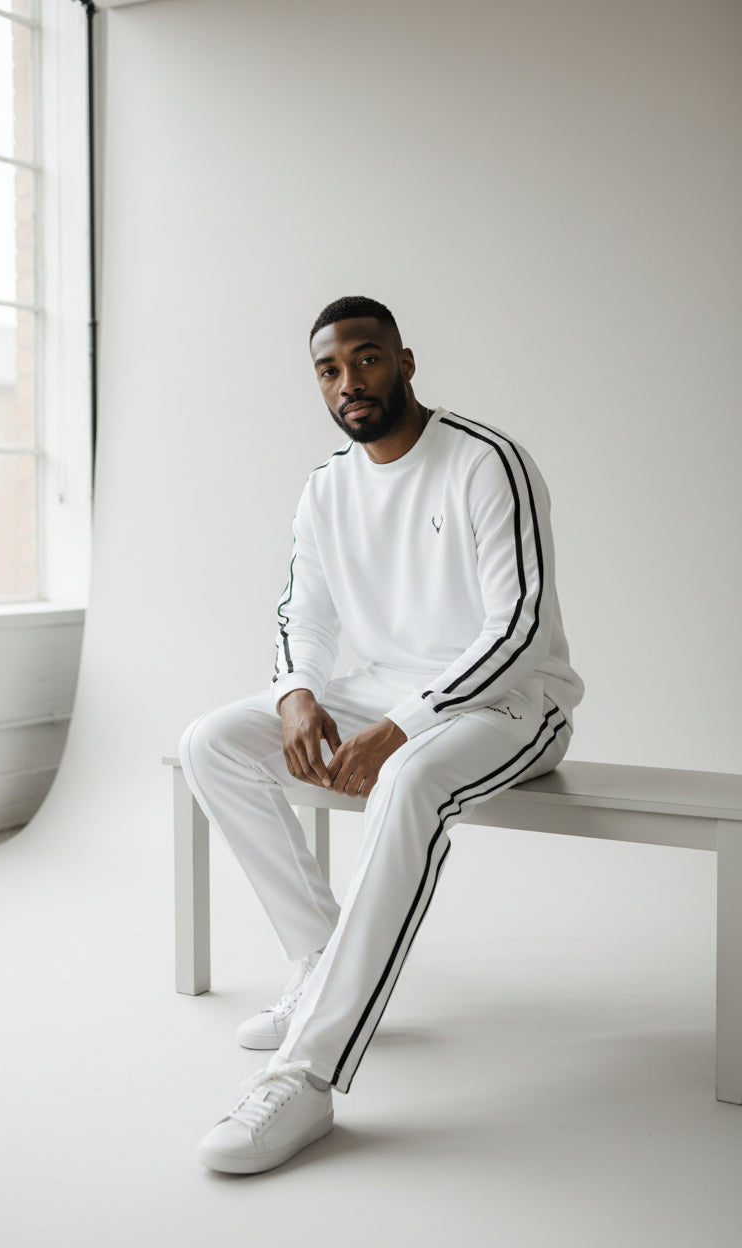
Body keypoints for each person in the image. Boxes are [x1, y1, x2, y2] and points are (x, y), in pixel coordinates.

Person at [180, 295, 583, 1174]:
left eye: (365, 360)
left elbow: (516, 628)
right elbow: (306, 615)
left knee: (405, 781)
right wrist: (295, 696)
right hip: (390, 694)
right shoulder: (327, 486)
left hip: (514, 703)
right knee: (211, 739)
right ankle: (323, 965)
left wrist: (402, 727)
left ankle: (308, 1074)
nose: (349, 382)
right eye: (329, 370)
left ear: (405, 360)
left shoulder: (485, 462)